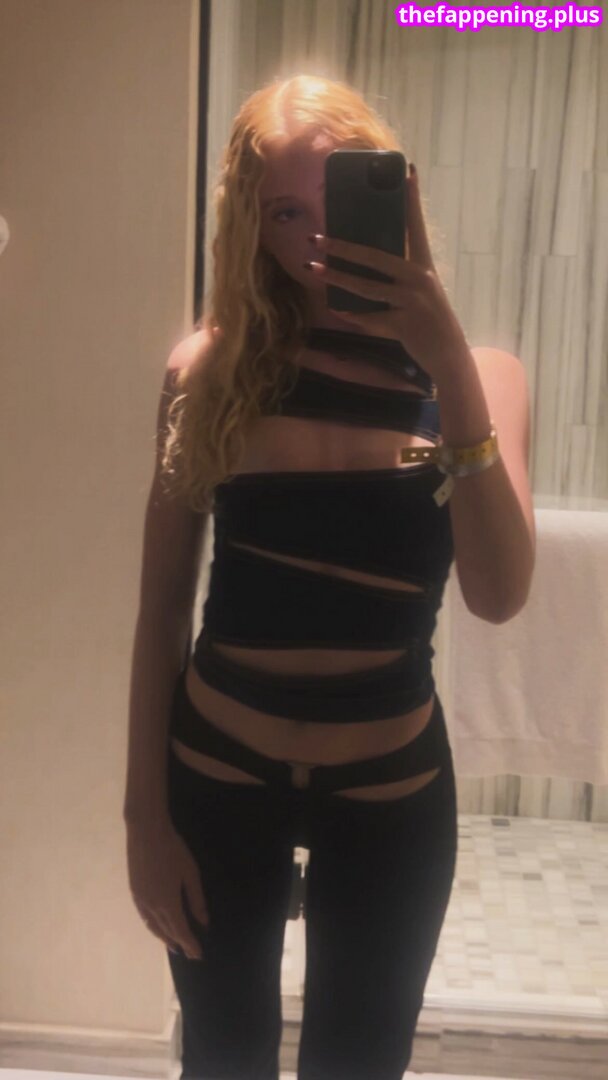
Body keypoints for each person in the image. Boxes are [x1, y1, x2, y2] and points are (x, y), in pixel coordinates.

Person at [124, 74, 531, 1080]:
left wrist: (446, 362)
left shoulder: (478, 376)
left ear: (396, 194)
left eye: (334, 201)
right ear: (248, 228)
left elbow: (497, 595)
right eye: (283, 212)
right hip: (217, 772)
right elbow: (161, 609)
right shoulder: (207, 373)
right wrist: (144, 819)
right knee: (222, 1063)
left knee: (359, 1066)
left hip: (390, 789)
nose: (314, 240)